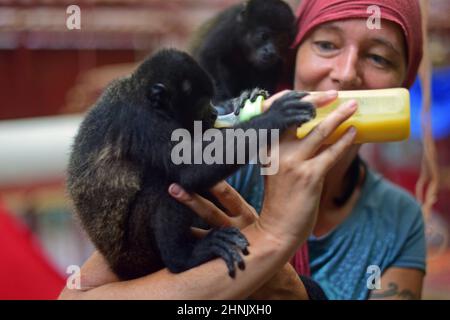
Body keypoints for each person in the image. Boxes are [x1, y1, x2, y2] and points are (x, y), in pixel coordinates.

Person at [59, 0, 426, 300]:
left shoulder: (400, 220)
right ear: (293, 60)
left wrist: (292, 290)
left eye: (378, 57)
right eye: (326, 45)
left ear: (403, 83)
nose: (346, 74)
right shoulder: (227, 169)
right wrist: (271, 240)